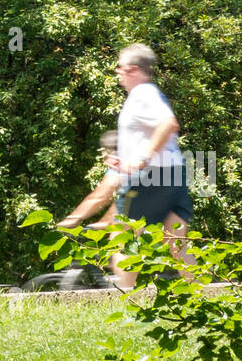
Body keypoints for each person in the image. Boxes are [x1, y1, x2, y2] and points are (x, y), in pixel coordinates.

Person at [107, 44, 193, 287]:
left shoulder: (143, 94)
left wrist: (143, 158)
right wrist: (123, 159)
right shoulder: (149, 94)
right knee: (176, 243)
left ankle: (127, 301)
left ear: (133, 69)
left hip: (151, 176)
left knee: (121, 240)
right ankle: (206, 297)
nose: (118, 73)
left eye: (120, 68)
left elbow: (168, 124)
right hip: (173, 174)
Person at [58, 129, 122, 230]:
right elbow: (125, 199)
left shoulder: (119, 161)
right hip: (148, 199)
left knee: (119, 237)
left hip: (146, 204)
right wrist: (106, 220)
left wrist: (73, 218)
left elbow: (101, 196)